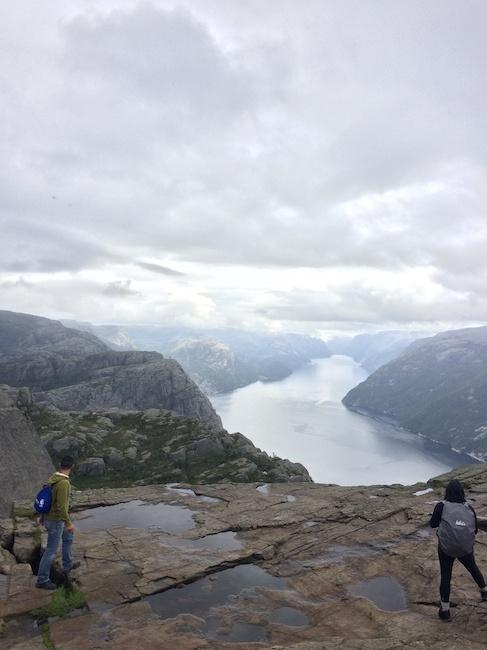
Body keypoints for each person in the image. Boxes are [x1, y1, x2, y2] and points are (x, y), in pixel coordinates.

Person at [430, 478, 487, 620]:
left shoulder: (441, 506)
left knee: (446, 575)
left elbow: (433, 524)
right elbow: (474, 531)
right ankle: (484, 591)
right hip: (465, 548)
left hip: (446, 548)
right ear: (462, 493)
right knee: (472, 567)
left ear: (447, 492)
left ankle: (445, 611)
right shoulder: (469, 508)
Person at [36, 455, 80, 590]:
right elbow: (61, 507)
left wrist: (42, 516)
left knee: (68, 537)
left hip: (51, 517)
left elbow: (48, 499)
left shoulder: (53, 479)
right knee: (51, 550)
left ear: (60, 465)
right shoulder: (64, 483)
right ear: (72, 466)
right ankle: (42, 579)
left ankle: (67, 564)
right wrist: (68, 523)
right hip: (56, 520)